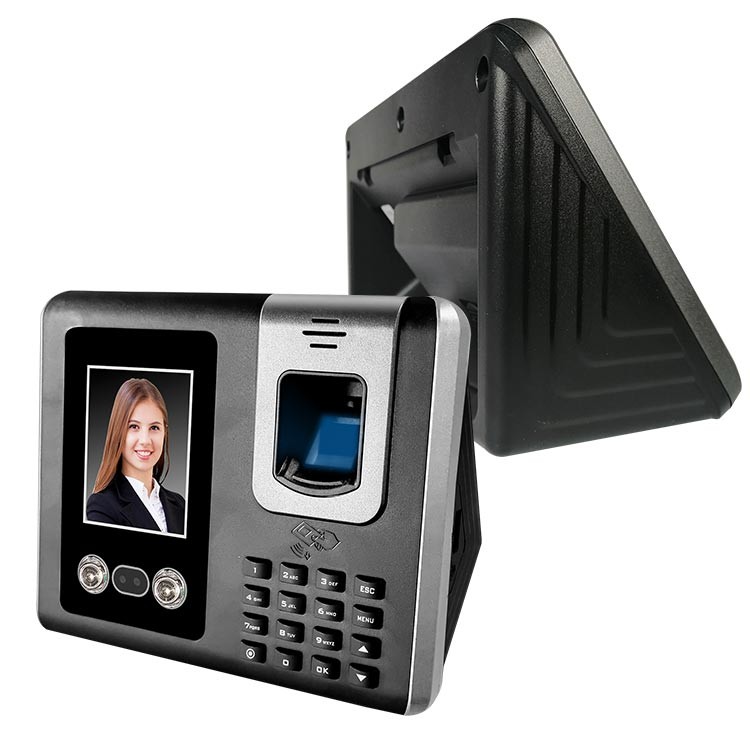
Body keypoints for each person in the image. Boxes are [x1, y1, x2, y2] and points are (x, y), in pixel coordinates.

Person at [86, 378, 186, 535]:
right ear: (118, 432)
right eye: (134, 426)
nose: (145, 440)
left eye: (154, 427)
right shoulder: (102, 506)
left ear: (165, 432)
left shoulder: (180, 505)